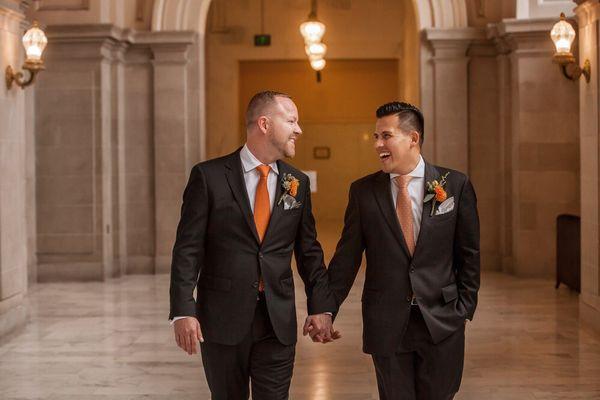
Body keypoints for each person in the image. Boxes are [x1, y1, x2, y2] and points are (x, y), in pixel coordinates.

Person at [169, 90, 338, 400]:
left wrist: (322, 307)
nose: (298, 129)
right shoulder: (208, 176)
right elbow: (187, 249)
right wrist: (182, 310)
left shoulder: (296, 183)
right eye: (291, 120)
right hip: (221, 319)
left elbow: (309, 252)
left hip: (277, 321)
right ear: (264, 123)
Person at [328, 101, 480, 400]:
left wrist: (464, 309)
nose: (378, 145)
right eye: (376, 137)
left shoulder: (455, 185)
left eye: (386, 136)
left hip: (442, 320)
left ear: (413, 138)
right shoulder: (363, 192)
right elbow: (346, 259)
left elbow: (470, 254)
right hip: (386, 322)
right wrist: (326, 309)